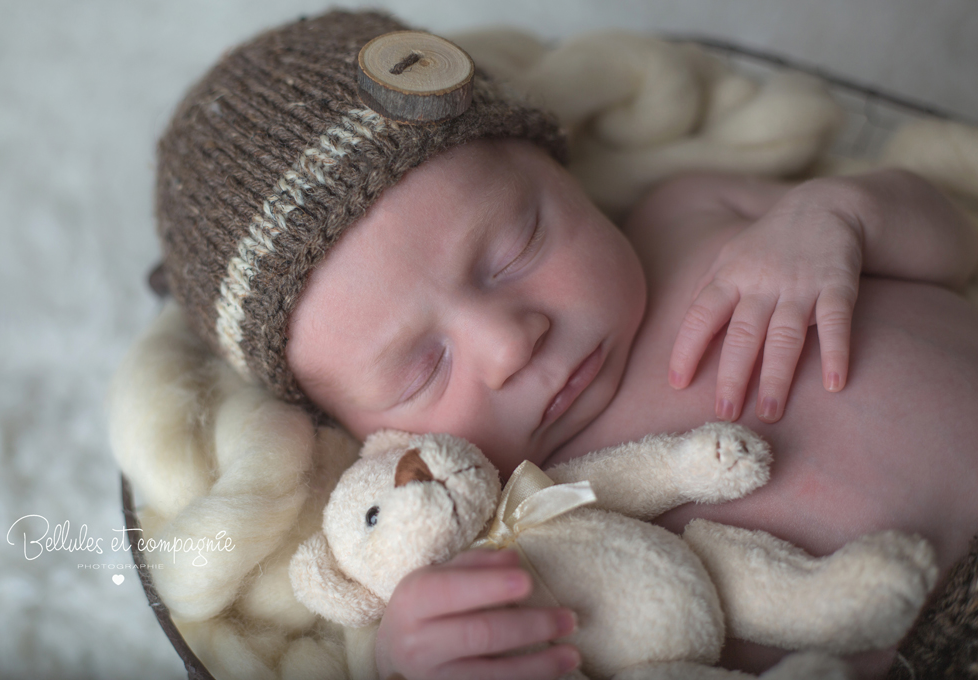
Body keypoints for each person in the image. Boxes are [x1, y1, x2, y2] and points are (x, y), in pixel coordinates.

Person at [154, 10, 978, 680]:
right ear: (354, 433)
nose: (508, 343)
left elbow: (950, 241)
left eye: (516, 247)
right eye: (420, 370)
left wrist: (838, 216)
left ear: (563, 172)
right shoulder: (499, 525)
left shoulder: (687, 213)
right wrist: (420, 651)